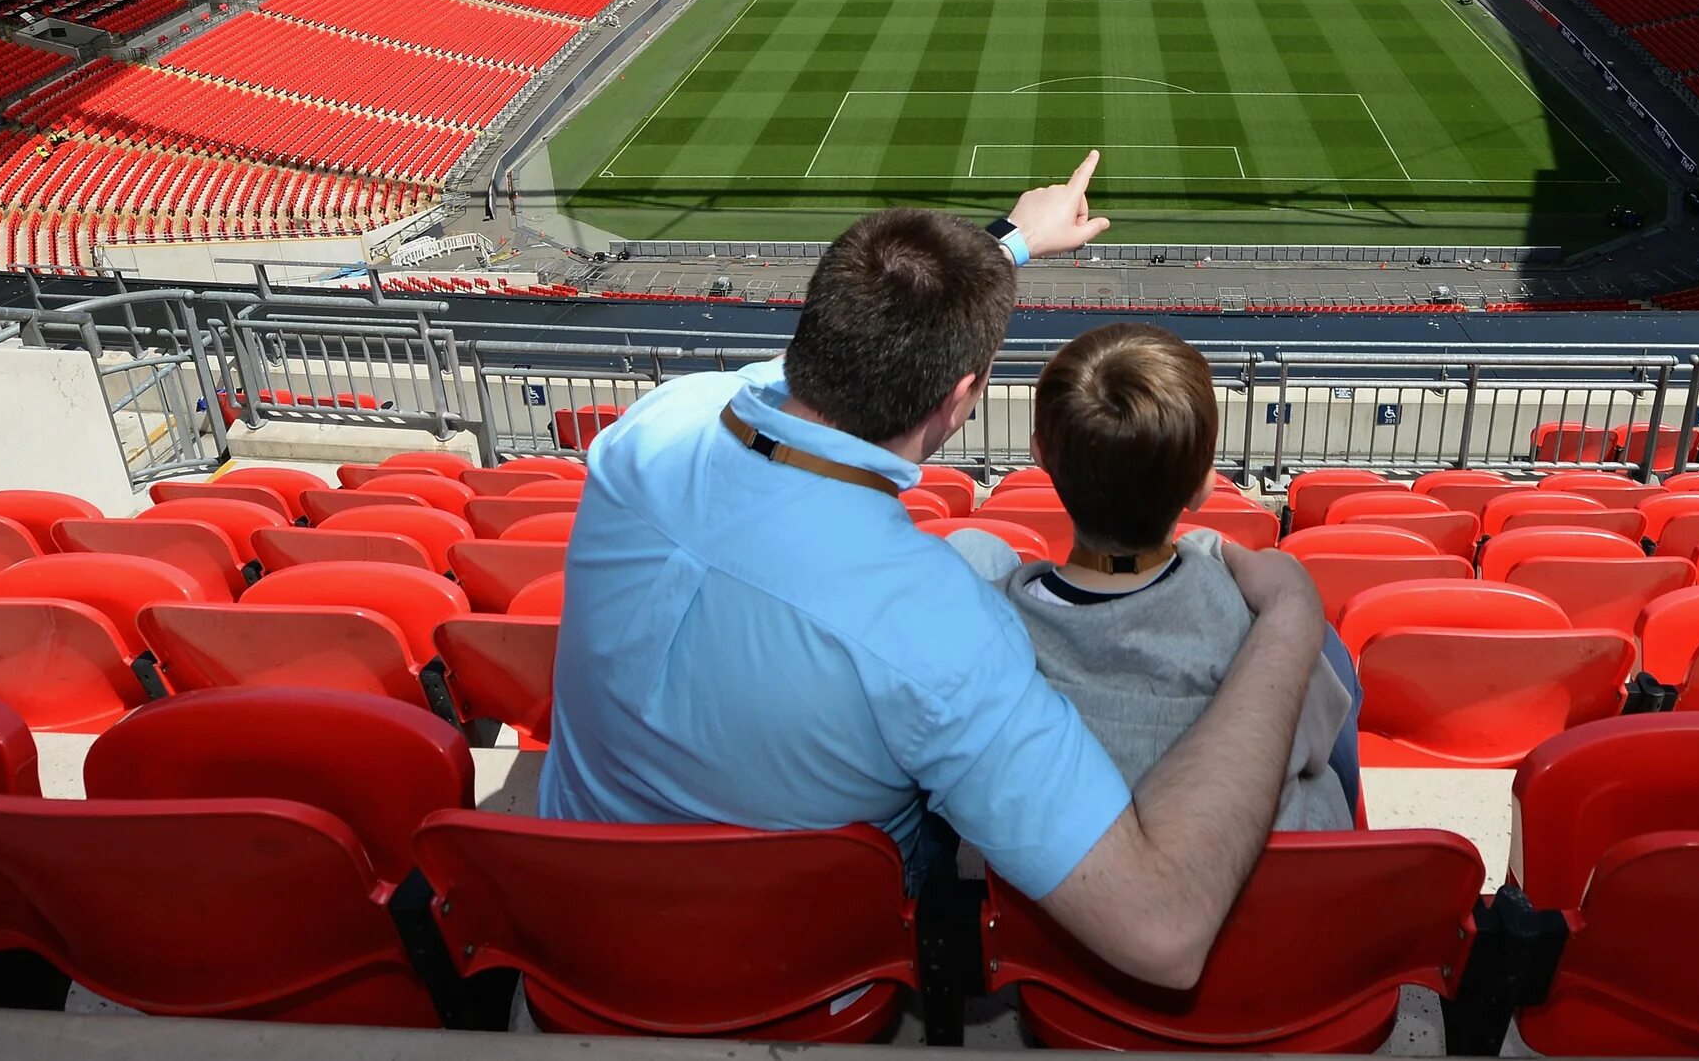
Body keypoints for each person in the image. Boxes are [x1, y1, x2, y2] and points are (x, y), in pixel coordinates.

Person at [540, 153, 1327, 989]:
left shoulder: (655, 424)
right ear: (960, 399)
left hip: (570, 919)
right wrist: (1289, 622)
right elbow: (1162, 932)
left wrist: (1009, 246)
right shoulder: (937, 626)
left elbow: (801, 374)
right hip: (774, 978)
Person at [973, 322, 1355, 829]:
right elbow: (1318, 740)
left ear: (1039, 454)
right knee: (1328, 649)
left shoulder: (981, 630)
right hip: (1268, 879)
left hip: (1034, 888)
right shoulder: (1253, 624)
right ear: (1204, 488)